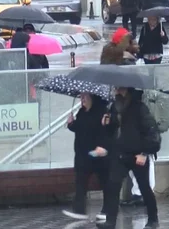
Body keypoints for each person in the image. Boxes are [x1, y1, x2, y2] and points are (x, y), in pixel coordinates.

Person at [97, 87, 160, 229]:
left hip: (137, 154)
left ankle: (153, 219)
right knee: (113, 186)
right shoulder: (114, 107)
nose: (116, 92)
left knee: (144, 188)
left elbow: (151, 131)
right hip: (120, 154)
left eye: (120, 89)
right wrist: (106, 124)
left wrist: (144, 152)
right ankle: (111, 220)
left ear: (127, 91)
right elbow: (112, 131)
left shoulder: (139, 108)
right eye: (116, 89)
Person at [63, 93, 111, 222]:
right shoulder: (82, 112)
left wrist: (103, 147)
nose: (82, 99)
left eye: (84, 97)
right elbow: (79, 128)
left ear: (92, 97)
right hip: (83, 155)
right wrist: (71, 124)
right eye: (81, 97)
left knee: (105, 183)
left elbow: (108, 132)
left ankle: (107, 210)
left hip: (99, 153)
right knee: (80, 182)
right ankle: (79, 211)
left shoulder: (103, 111)